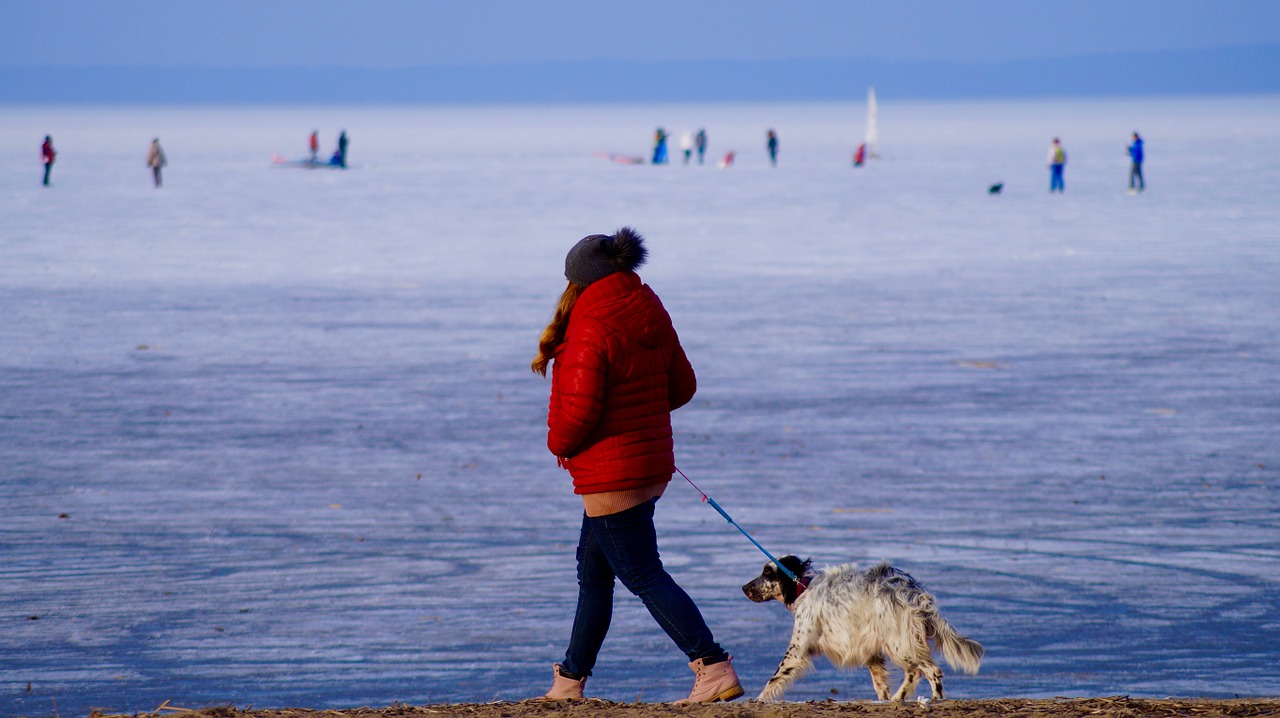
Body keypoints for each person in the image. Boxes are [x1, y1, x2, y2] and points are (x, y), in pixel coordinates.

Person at [532, 227, 743, 704]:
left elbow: (577, 415)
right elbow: (682, 386)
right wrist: (638, 412)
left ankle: (712, 666)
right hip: (647, 466)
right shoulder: (648, 308)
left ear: (580, 281)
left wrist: (558, 442)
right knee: (595, 573)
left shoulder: (590, 324)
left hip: (611, 474)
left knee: (643, 574)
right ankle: (568, 681)